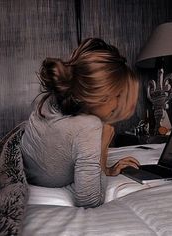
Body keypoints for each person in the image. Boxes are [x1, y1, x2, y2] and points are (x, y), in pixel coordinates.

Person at [21, 38, 140, 208]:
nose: (117, 105)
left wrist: (103, 168)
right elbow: (89, 200)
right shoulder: (89, 126)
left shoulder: (48, 99)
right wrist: (103, 145)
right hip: (40, 178)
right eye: (118, 95)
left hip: (29, 168)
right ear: (101, 95)